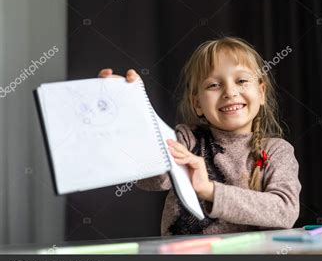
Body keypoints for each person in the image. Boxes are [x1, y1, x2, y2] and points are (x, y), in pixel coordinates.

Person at [98, 37, 301, 235]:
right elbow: (153, 178)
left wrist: (210, 191)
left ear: (261, 92)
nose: (230, 92)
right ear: (197, 104)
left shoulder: (276, 151)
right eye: (214, 85)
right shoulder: (187, 139)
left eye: (241, 80)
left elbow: (285, 211)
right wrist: (132, 110)